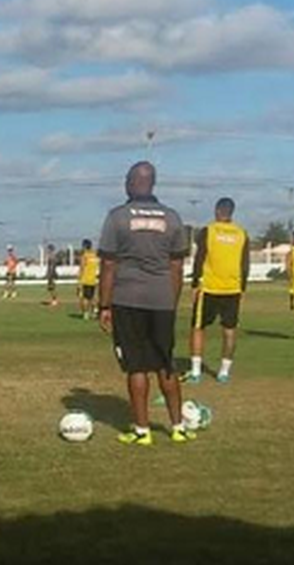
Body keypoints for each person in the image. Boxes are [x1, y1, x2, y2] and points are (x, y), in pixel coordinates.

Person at [98, 161, 194, 446]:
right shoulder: (173, 218)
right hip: (162, 300)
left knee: (136, 367)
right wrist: (170, 302)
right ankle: (177, 426)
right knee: (166, 363)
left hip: (127, 299)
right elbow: (177, 267)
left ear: (129, 182)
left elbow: (109, 265)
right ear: (153, 183)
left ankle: (142, 431)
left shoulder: (117, 217)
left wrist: (104, 306)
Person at [188, 197, 250, 384]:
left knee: (198, 328)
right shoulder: (242, 233)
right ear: (232, 212)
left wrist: (194, 284)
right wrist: (243, 288)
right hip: (232, 288)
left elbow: (200, 258)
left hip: (208, 287)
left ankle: (196, 371)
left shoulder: (209, 231)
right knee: (229, 330)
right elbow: (245, 264)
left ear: (217, 211)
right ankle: (224, 372)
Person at [77, 239, 99, 320]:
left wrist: (79, 281)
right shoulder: (95, 255)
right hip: (94, 280)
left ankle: (86, 314)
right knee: (93, 297)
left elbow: (82, 268)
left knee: (85, 298)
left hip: (85, 280)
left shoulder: (85, 256)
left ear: (85, 246)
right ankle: (94, 312)